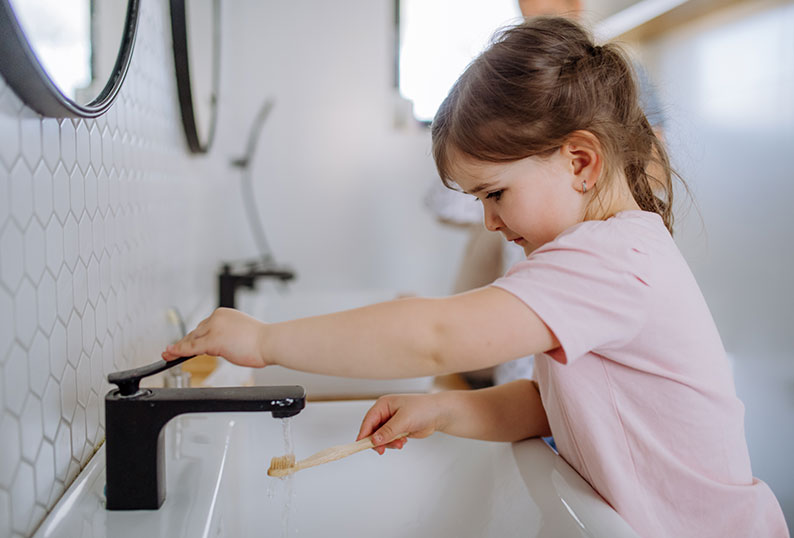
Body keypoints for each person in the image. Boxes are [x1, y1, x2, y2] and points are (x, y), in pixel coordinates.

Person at [164, 17, 788, 537]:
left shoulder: (609, 259)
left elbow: (434, 335)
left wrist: (266, 341)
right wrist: (444, 409)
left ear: (579, 161)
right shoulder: (604, 254)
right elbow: (552, 407)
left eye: (494, 194)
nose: (488, 221)